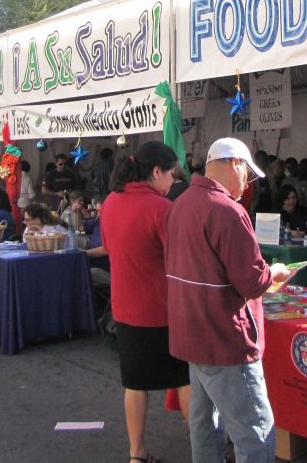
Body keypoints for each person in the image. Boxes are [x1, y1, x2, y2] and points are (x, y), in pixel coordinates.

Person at [166, 137, 291, 463]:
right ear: (235, 163)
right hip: (225, 338)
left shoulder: (180, 204)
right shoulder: (227, 211)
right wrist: (274, 272)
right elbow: (253, 282)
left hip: (192, 332)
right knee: (255, 432)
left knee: (205, 424)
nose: (247, 184)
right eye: (247, 175)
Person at [100, 142, 191, 463]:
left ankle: (136, 455)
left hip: (125, 309)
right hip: (164, 311)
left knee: (135, 384)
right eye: (171, 174)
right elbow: (182, 260)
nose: (173, 182)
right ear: (156, 172)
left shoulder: (111, 202)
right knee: (185, 379)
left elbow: (110, 248)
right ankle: (207, 450)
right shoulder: (161, 209)